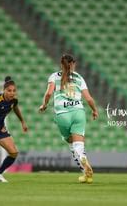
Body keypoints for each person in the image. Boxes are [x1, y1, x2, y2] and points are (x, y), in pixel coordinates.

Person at [39, 54, 99, 183]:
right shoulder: (79, 77)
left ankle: (84, 170)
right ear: (73, 63)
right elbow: (88, 98)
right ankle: (84, 165)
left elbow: (49, 93)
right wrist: (94, 110)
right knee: (79, 144)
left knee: (71, 142)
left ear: (61, 64)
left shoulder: (54, 76)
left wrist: (44, 105)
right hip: (78, 112)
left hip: (62, 114)